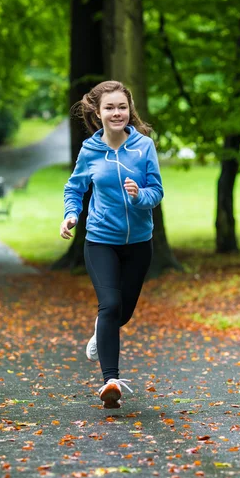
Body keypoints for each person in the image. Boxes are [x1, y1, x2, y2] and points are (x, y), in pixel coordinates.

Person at [60, 80, 164, 409]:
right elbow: (74, 188)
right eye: (110, 107)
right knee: (109, 305)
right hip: (101, 240)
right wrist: (71, 215)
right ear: (98, 112)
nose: (116, 112)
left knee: (123, 311)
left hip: (139, 244)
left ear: (129, 110)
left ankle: (100, 333)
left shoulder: (144, 147)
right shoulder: (91, 151)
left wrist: (138, 196)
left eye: (122, 107)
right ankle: (110, 381)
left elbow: (156, 193)